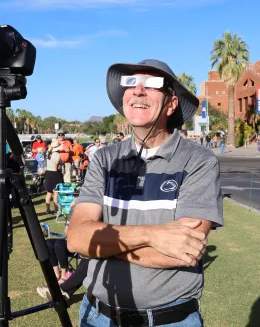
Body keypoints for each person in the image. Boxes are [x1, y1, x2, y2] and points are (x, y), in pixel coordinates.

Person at [68, 59, 223, 327]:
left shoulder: (199, 161)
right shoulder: (104, 159)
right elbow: (77, 238)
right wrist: (153, 235)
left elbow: (180, 251)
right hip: (97, 316)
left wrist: (102, 247)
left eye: (151, 84)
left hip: (168, 320)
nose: (138, 90)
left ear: (171, 103)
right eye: (131, 82)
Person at [43, 139, 63, 214]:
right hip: (55, 174)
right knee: (55, 193)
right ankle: (56, 210)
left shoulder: (48, 153)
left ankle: (47, 210)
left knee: (49, 192)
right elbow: (56, 166)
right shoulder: (57, 155)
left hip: (48, 173)